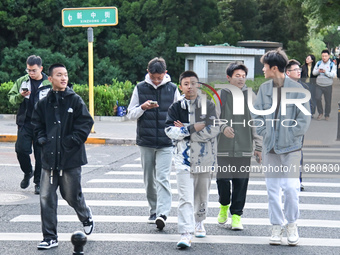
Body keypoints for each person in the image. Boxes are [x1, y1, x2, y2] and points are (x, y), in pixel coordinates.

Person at [31, 63, 94, 250]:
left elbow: (85, 123)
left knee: (71, 195)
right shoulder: (43, 103)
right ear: (50, 79)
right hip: (49, 159)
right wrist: (43, 140)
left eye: (65, 74)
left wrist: (71, 141)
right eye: (59, 75)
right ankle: (50, 237)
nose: (63, 78)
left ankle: (85, 215)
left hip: (71, 158)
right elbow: (37, 125)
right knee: (46, 197)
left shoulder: (75, 100)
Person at [253, 48, 311, 246]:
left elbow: (304, 120)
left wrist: (290, 136)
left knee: (291, 188)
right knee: (272, 190)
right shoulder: (264, 89)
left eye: (265, 66)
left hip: (292, 148)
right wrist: (264, 134)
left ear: (274, 68)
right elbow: (257, 115)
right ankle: (276, 226)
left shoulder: (298, 90)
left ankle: (292, 224)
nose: (263, 69)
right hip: (270, 148)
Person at [165, 71, 219, 248]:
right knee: (185, 197)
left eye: (193, 83)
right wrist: (190, 129)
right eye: (186, 83)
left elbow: (213, 130)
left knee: (202, 194)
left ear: (198, 85)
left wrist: (186, 132)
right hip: (182, 159)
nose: (190, 87)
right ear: (181, 86)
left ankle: (199, 221)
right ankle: (185, 233)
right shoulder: (175, 108)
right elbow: (169, 131)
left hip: (204, 157)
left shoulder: (208, 105)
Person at [127, 57, 180, 230]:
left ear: (165, 73)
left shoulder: (172, 89)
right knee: (149, 179)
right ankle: (153, 209)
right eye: (153, 77)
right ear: (148, 73)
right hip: (146, 140)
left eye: (159, 77)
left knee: (163, 177)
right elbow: (130, 114)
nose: (156, 80)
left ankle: (162, 213)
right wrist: (143, 107)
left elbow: (179, 113)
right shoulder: (140, 88)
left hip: (166, 141)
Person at [214, 62, 262, 230]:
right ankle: (224, 205)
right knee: (223, 180)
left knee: (241, 182)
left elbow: (257, 122)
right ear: (229, 78)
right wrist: (223, 128)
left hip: (244, 147)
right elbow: (213, 118)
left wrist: (259, 146)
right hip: (223, 147)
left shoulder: (251, 96)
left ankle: (236, 216)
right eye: (237, 76)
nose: (241, 79)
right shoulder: (221, 95)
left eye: (243, 76)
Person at [8, 55, 51, 195]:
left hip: (42, 126)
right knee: (21, 150)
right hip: (25, 123)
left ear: (41, 68)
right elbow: (11, 99)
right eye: (28, 70)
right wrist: (20, 95)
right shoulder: (22, 81)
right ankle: (28, 172)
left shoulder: (49, 83)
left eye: (33, 70)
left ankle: (38, 183)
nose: (31, 73)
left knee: (40, 155)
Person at [286, 59, 311, 192]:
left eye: (299, 70)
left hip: (297, 127)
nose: (298, 72)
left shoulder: (304, 88)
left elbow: (309, 107)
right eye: (295, 70)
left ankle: (297, 180)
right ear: (287, 72)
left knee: (297, 153)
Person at [312, 49, 337, 121]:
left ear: (329, 56)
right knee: (317, 98)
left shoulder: (332, 64)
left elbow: (333, 75)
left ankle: (327, 114)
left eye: (326, 56)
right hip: (319, 84)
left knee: (328, 101)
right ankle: (320, 113)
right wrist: (318, 71)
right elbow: (314, 73)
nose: (324, 58)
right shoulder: (319, 63)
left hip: (328, 85)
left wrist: (326, 72)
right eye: (323, 56)